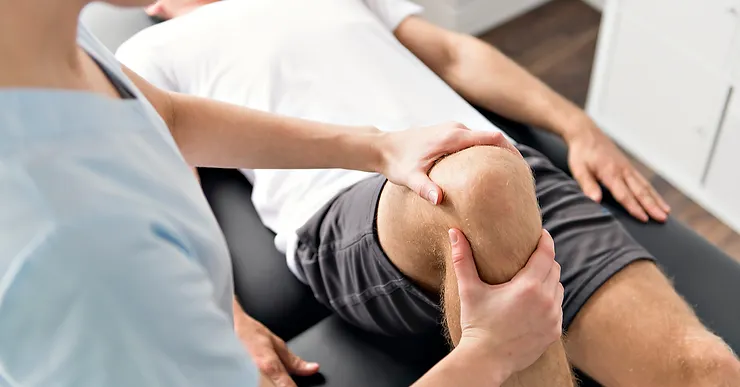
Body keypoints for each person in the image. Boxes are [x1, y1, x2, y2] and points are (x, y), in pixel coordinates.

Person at [118, 0, 740, 386]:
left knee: (711, 372)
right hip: (353, 212)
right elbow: (167, 185)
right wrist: (228, 319)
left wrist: (576, 124)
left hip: (504, 169)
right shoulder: (146, 51)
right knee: (479, 179)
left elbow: (451, 52)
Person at [0, 0, 566, 386]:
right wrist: (488, 355)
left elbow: (165, 114)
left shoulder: (47, 38)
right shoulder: (73, 246)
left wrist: (375, 147)